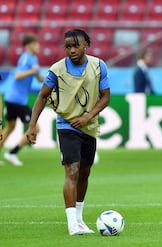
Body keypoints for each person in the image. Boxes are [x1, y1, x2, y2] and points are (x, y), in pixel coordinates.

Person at [25, 29, 110, 235]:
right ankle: (72, 224)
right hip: (67, 126)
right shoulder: (57, 69)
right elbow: (42, 96)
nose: (71, 50)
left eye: (75, 46)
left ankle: (80, 219)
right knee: (72, 170)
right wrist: (31, 125)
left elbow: (105, 97)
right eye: (68, 46)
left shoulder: (99, 66)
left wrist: (88, 117)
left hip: (88, 127)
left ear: (85, 45)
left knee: (85, 172)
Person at [0, 33, 44, 166]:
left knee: (9, 128)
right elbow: (18, 76)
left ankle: (8, 153)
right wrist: (32, 71)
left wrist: (50, 81)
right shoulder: (26, 58)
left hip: (12, 98)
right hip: (17, 100)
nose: (39, 46)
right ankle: (12, 153)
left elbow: (38, 77)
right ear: (29, 45)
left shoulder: (33, 58)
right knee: (35, 128)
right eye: (36, 44)